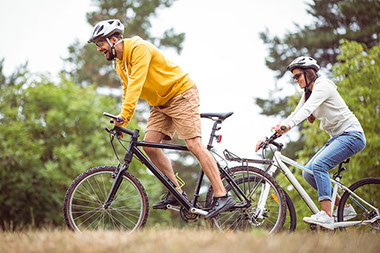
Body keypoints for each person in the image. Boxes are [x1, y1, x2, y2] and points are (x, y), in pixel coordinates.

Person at [88, 19, 235, 218]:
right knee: (149, 146)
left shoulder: (139, 48)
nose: (99, 49)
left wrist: (124, 114)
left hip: (181, 93)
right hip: (159, 103)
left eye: (100, 43)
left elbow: (136, 84)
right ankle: (176, 191)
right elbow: (126, 90)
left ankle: (222, 195)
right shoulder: (120, 65)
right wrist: (124, 120)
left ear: (114, 39)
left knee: (193, 144)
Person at [255, 56, 366, 228]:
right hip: (338, 137)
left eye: (297, 76)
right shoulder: (308, 92)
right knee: (308, 173)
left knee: (319, 165)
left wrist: (287, 125)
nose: (295, 80)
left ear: (308, 73)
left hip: (352, 135)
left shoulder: (323, 86)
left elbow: (307, 110)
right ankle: (347, 208)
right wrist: (270, 137)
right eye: (294, 77)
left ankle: (327, 216)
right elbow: (295, 113)